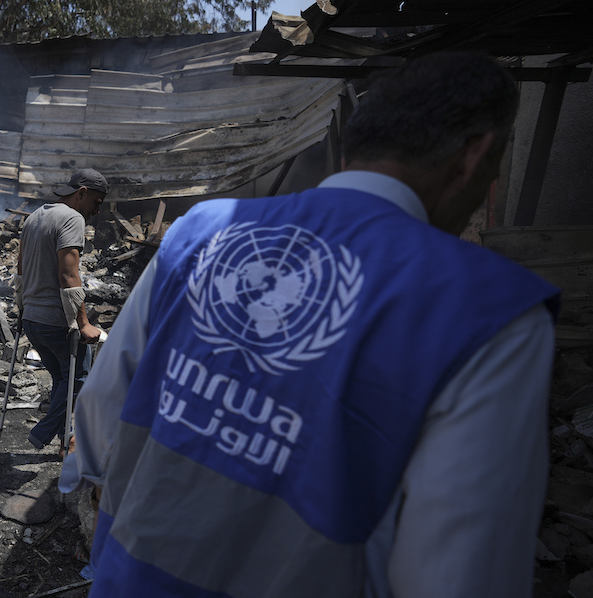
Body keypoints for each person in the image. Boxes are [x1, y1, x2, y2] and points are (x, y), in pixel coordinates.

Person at [63, 52, 560, 597]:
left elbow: (102, 416)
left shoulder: (200, 232)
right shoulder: (491, 312)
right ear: (475, 158)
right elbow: (459, 577)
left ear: (353, 143)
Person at [16, 168, 107, 451]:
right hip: (56, 321)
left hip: (33, 319)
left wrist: (21, 311)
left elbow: (19, 272)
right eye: (96, 203)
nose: (96, 211)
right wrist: (83, 324)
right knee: (79, 379)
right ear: (82, 193)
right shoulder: (72, 218)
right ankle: (43, 432)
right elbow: (69, 277)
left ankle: (65, 436)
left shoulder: (34, 217)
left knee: (62, 379)